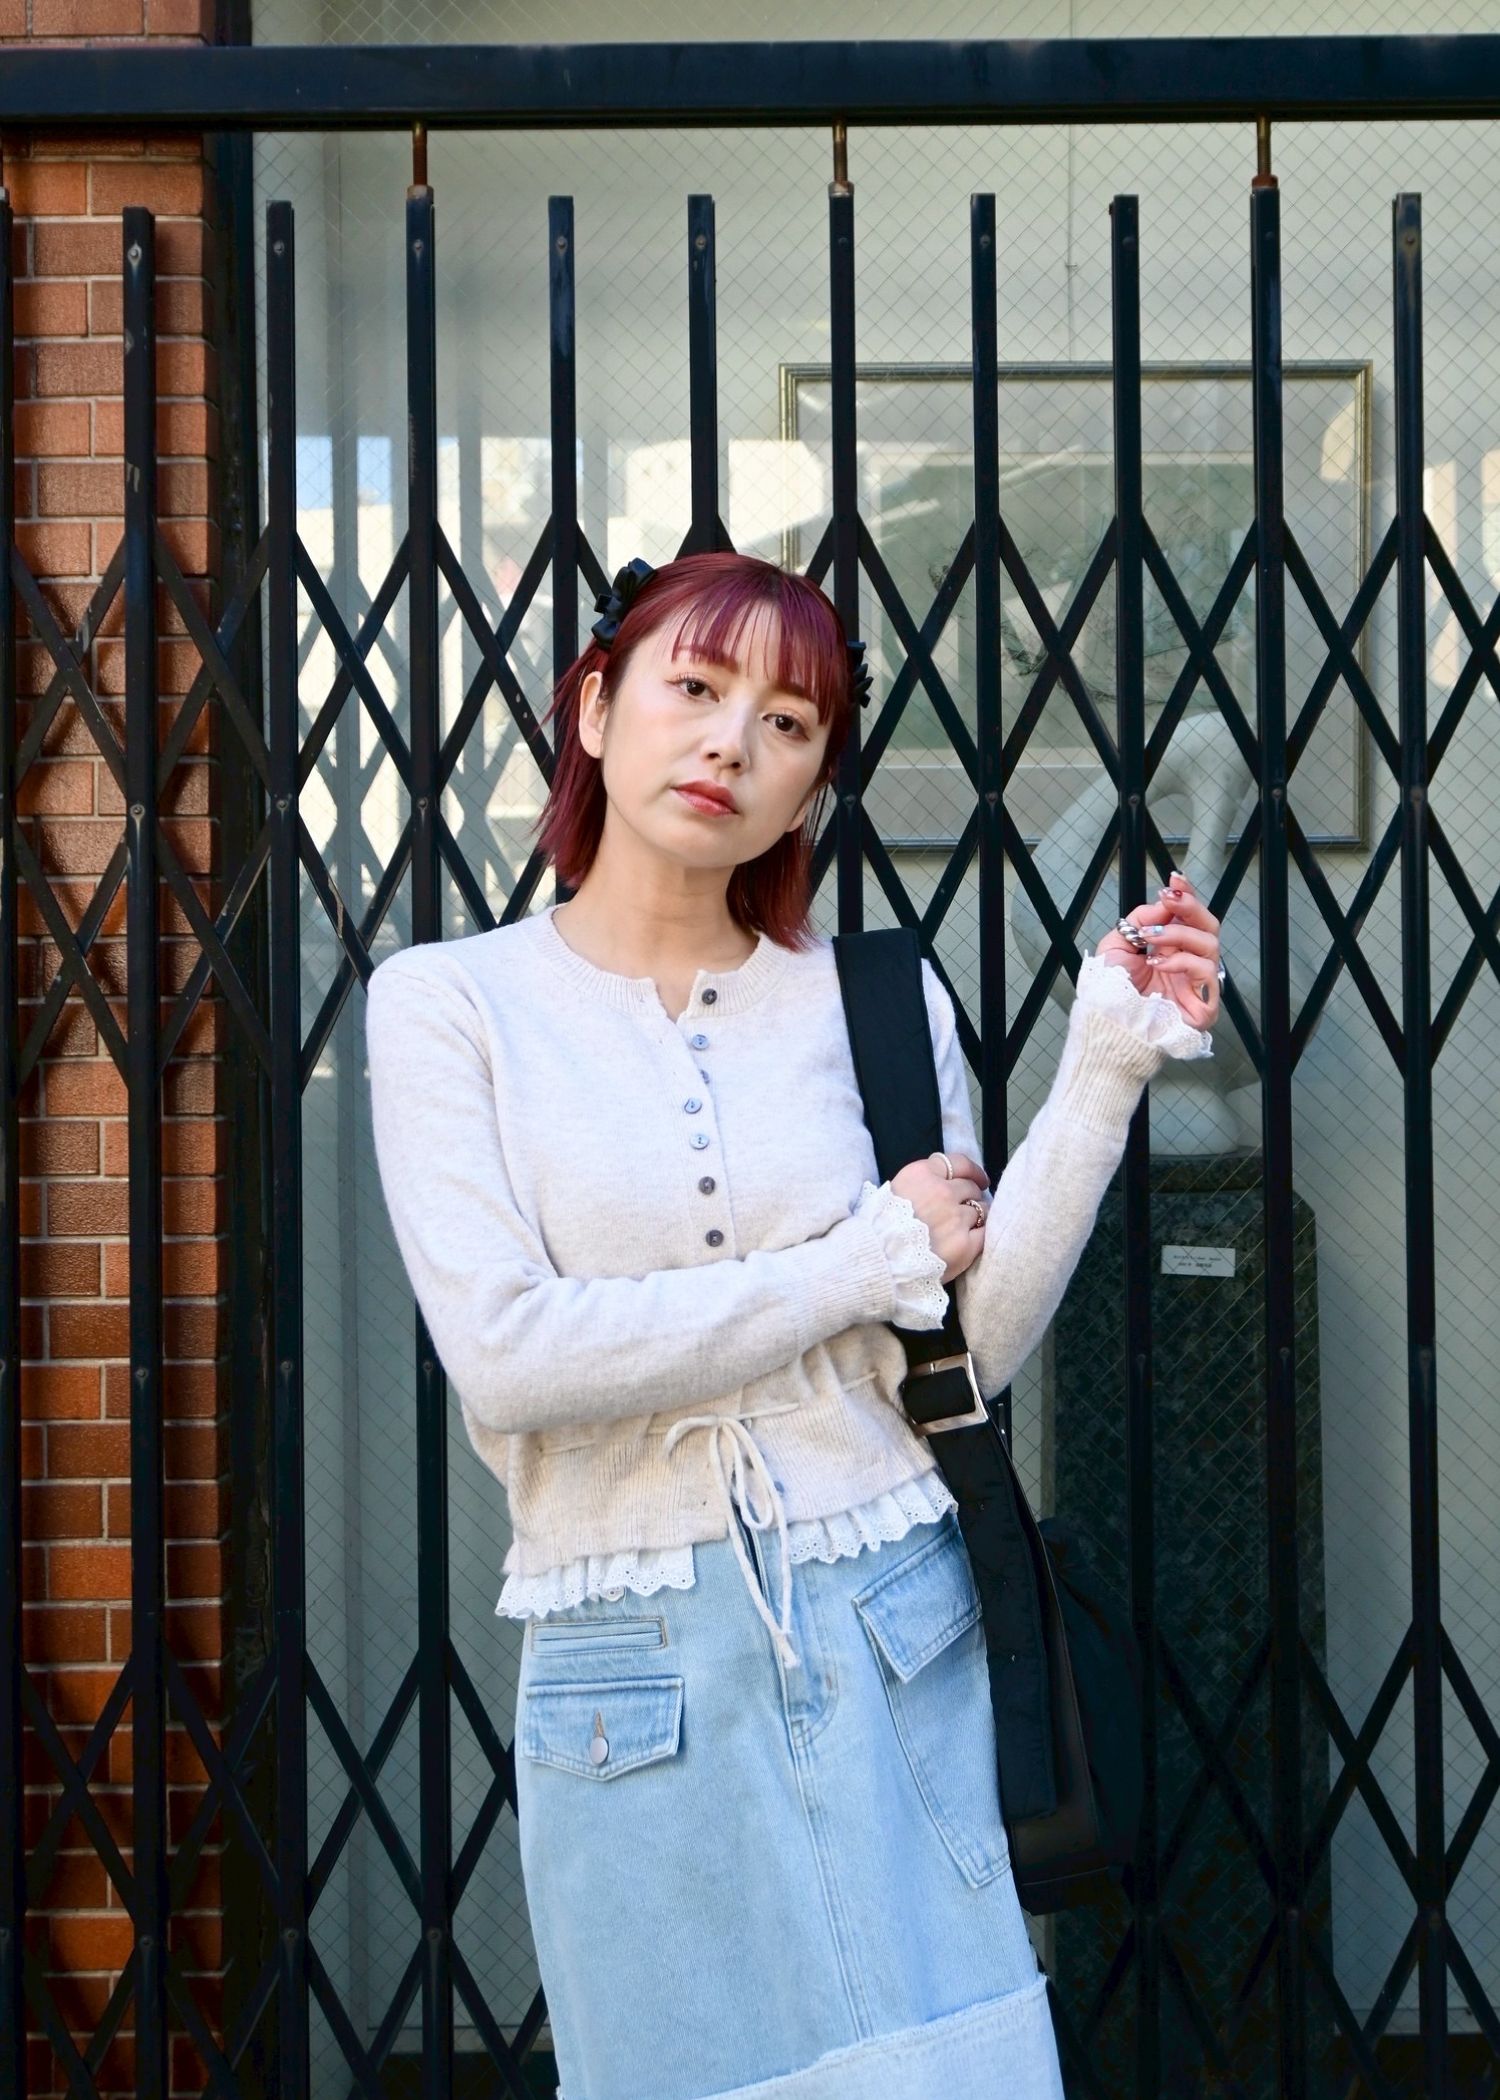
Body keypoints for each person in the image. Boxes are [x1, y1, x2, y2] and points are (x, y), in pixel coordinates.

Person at [364, 551, 1223, 2100]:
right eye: (695, 689)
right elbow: (511, 1354)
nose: (731, 744)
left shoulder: (876, 1001)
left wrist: (1104, 1070)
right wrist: (853, 1264)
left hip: (897, 1628)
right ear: (595, 706)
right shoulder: (450, 1005)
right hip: (629, 1671)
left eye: (787, 722)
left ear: (815, 780)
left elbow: (961, 1356)